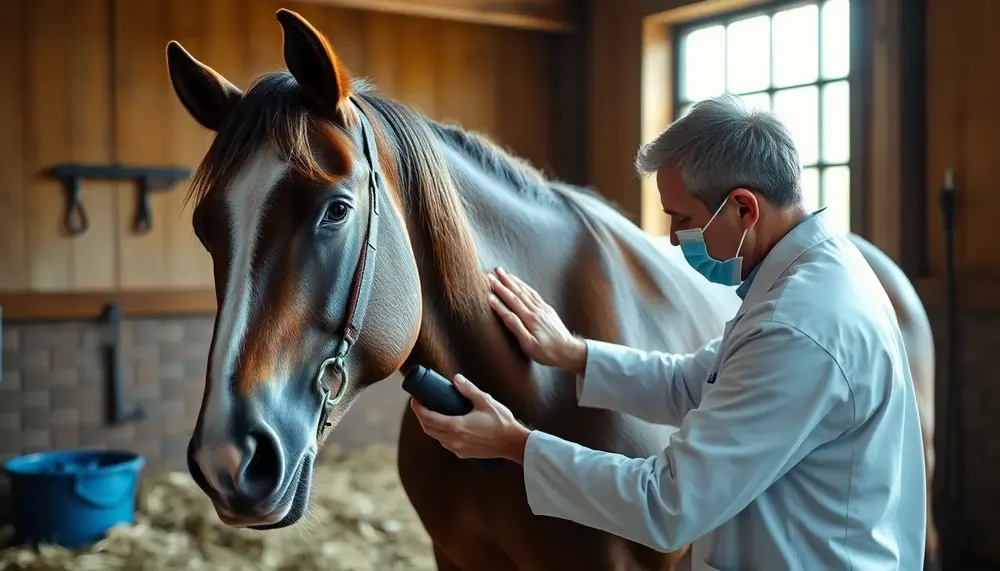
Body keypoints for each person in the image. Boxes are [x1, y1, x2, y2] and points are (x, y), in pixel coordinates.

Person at [409, 94, 927, 570]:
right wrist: (574, 354)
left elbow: (668, 505)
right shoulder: (811, 272)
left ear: (745, 207)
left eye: (684, 218)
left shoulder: (799, 326)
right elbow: (695, 382)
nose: (676, 239)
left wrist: (516, 444)